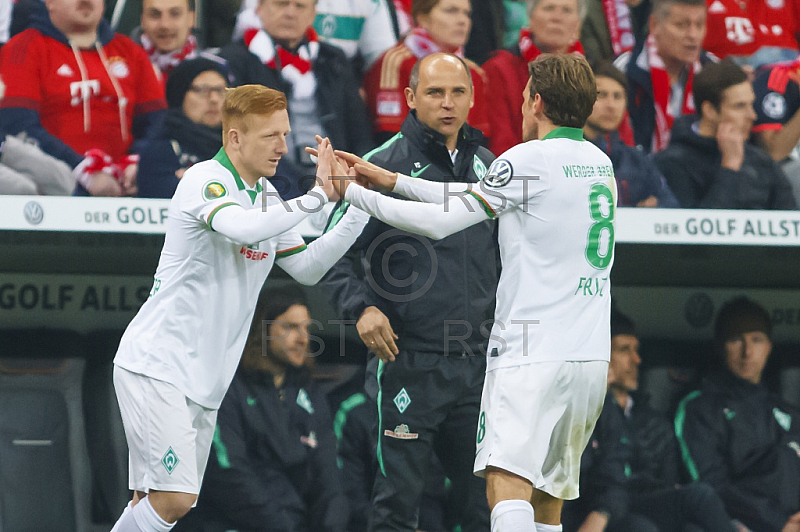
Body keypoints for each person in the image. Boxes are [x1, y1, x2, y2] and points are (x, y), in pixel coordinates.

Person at [329, 53, 616, 532]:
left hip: (527, 354)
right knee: (547, 496)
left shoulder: (524, 159)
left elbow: (446, 218)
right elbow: (466, 198)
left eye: (524, 96)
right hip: (588, 359)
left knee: (504, 483)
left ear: (537, 101)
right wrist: (393, 181)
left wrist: (354, 192)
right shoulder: (599, 162)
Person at [108, 84, 369, 532]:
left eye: (285, 134)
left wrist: (357, 205)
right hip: (159, 364)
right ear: (234, 139)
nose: (282, 147)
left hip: (204, 378)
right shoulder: (204, 179)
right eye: (270, 136)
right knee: (174, 497)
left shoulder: (266, 196)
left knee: (157, 502)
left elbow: (306, 268)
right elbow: (242, 229)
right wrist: (316, 198)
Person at [321, 52, 496, 531]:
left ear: (472, 98)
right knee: (398, 504)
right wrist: (363, 308)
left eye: (457, 92)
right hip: (407, 363)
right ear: (410, 98)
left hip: (477, 364)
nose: (447, 103)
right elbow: (333, 252)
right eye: (435, 93)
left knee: (485, 507)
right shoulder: (380, 165)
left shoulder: (490, 166)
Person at [174, 284, 349, 532]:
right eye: (289, 327)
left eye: (307, 328)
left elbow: (328, 478)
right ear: (261, 330)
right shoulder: (225, 388)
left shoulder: (309, 393)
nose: (303, 338)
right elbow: (228, 474)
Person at [561, 310, 736, 532]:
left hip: (641, 502)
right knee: (651, 522)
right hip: (597, 507)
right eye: (624, 350)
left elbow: (667, 480)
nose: (637, 360)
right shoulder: (581, 408)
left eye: (637, 350)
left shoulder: (652, 421)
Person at [0, 0, 166, 196]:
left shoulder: (131, 52)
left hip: (129, 184)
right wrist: (83, 169)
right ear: (49, 2)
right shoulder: (22, 48)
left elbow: (158, 126)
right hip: (58, 187)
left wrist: (137, 163)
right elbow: (19, 129)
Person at [220, 0, 373, 197]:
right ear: (259, 9)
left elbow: (359, 130)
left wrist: (356, 175)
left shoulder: (333, 58)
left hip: (335, 175)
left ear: (313, 14)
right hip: (269, 179)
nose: (291, 13)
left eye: (300, 6)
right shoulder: (234, 60)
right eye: (281, 4)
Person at [674, 297, 800, 532]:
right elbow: (710, 484)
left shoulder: (786, 412)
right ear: (720, 346)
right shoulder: (698, 407)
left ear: (769, 347)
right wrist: (778, 522)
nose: (747, 351)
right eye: (736, 339)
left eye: (757, 339)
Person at [653, 59, 797, 209]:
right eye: (739, 106)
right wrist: (729, 168)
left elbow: (789, 220)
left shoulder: (762, 161)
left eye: (751, 105)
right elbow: (694, 228)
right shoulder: (672, 163)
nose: (752, 116)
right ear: (710, 111)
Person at [363, 0, 491, 143]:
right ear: (422, 18)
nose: (462, 21)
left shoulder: (475, 73)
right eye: (451, 11)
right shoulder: (396, 62)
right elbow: (389, 137)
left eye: (467, 13)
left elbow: (480, 139)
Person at [482, 0, 586, 155]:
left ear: (578, 24)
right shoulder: (499, 69)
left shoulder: (592, 73)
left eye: (566, 10)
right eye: (549, 8)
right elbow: (501, 146)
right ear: (530, 18)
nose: (557, 17)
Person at [614, 0, 713, 153]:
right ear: (654, 25)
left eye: (699, 25)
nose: (693, 35)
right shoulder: (624, 69)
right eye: (681, 25)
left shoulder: (713, 70)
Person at [584, 60, 678, 207]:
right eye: (601, 95)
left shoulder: (637, 161)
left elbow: (670, 206)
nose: (611, 105)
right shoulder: (561, 154)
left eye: (617, 96)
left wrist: (654, 210)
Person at [137, 56, 228, 198]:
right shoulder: (161, 150)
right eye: (202, 90)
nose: (214, 99)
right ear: (180, 95)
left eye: (221, 90)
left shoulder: (242, 146)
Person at [133, 0, 198, 80]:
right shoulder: (120, 68)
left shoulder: (211, 71)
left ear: (191, 18)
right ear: (142, 20)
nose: (164, 25)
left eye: (175, 14)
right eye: (154, 14)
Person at [580, 0, 649, 62]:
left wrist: (638, 6)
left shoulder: (651, 5)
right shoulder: (589, 8)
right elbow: (594, 60)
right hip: (609, 70)